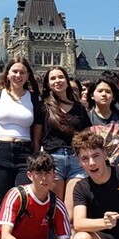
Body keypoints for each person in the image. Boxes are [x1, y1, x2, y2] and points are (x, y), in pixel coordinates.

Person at [33, 66, 91, 215]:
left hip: (75, 159)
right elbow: (37, 138)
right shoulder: (44, 107)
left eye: (60, 77)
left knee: (71, 210)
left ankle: (70, 238)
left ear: (66, 80)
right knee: (54, 209)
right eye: (53, 78)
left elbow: (87, 136)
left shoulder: (79, 108)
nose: (57, 81)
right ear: (48, 84)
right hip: (54, 159)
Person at [0, 56, 40, 210]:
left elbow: (37, 135)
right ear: (7, 74)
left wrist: (36, 156)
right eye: (15, 71)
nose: (18, 75)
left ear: (28, 75)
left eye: (22, 72)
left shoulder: (35, 99)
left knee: (23, 199)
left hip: (24, 152)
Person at [86, 77, 119, 166]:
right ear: (92, 95)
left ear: (113, 97)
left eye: (108, 92)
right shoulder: (86, 118)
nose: (104, 94)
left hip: (117, 169)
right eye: (100, 91)